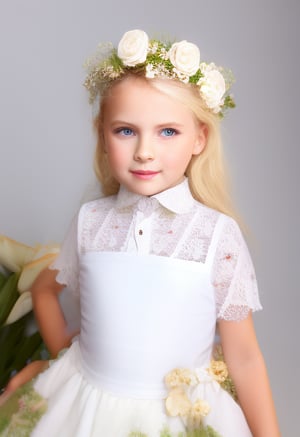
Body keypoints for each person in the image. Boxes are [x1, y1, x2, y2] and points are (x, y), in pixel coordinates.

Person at [0, 29, 280, 437]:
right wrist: (65, 361)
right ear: (102, 133)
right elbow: (44, 290)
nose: (145, 151)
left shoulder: (216, 234)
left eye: (168, 132)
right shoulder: (91, 221)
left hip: (180, 416)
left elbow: (245, 357)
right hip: (86, 412)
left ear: (200, 138)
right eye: (126, 131)